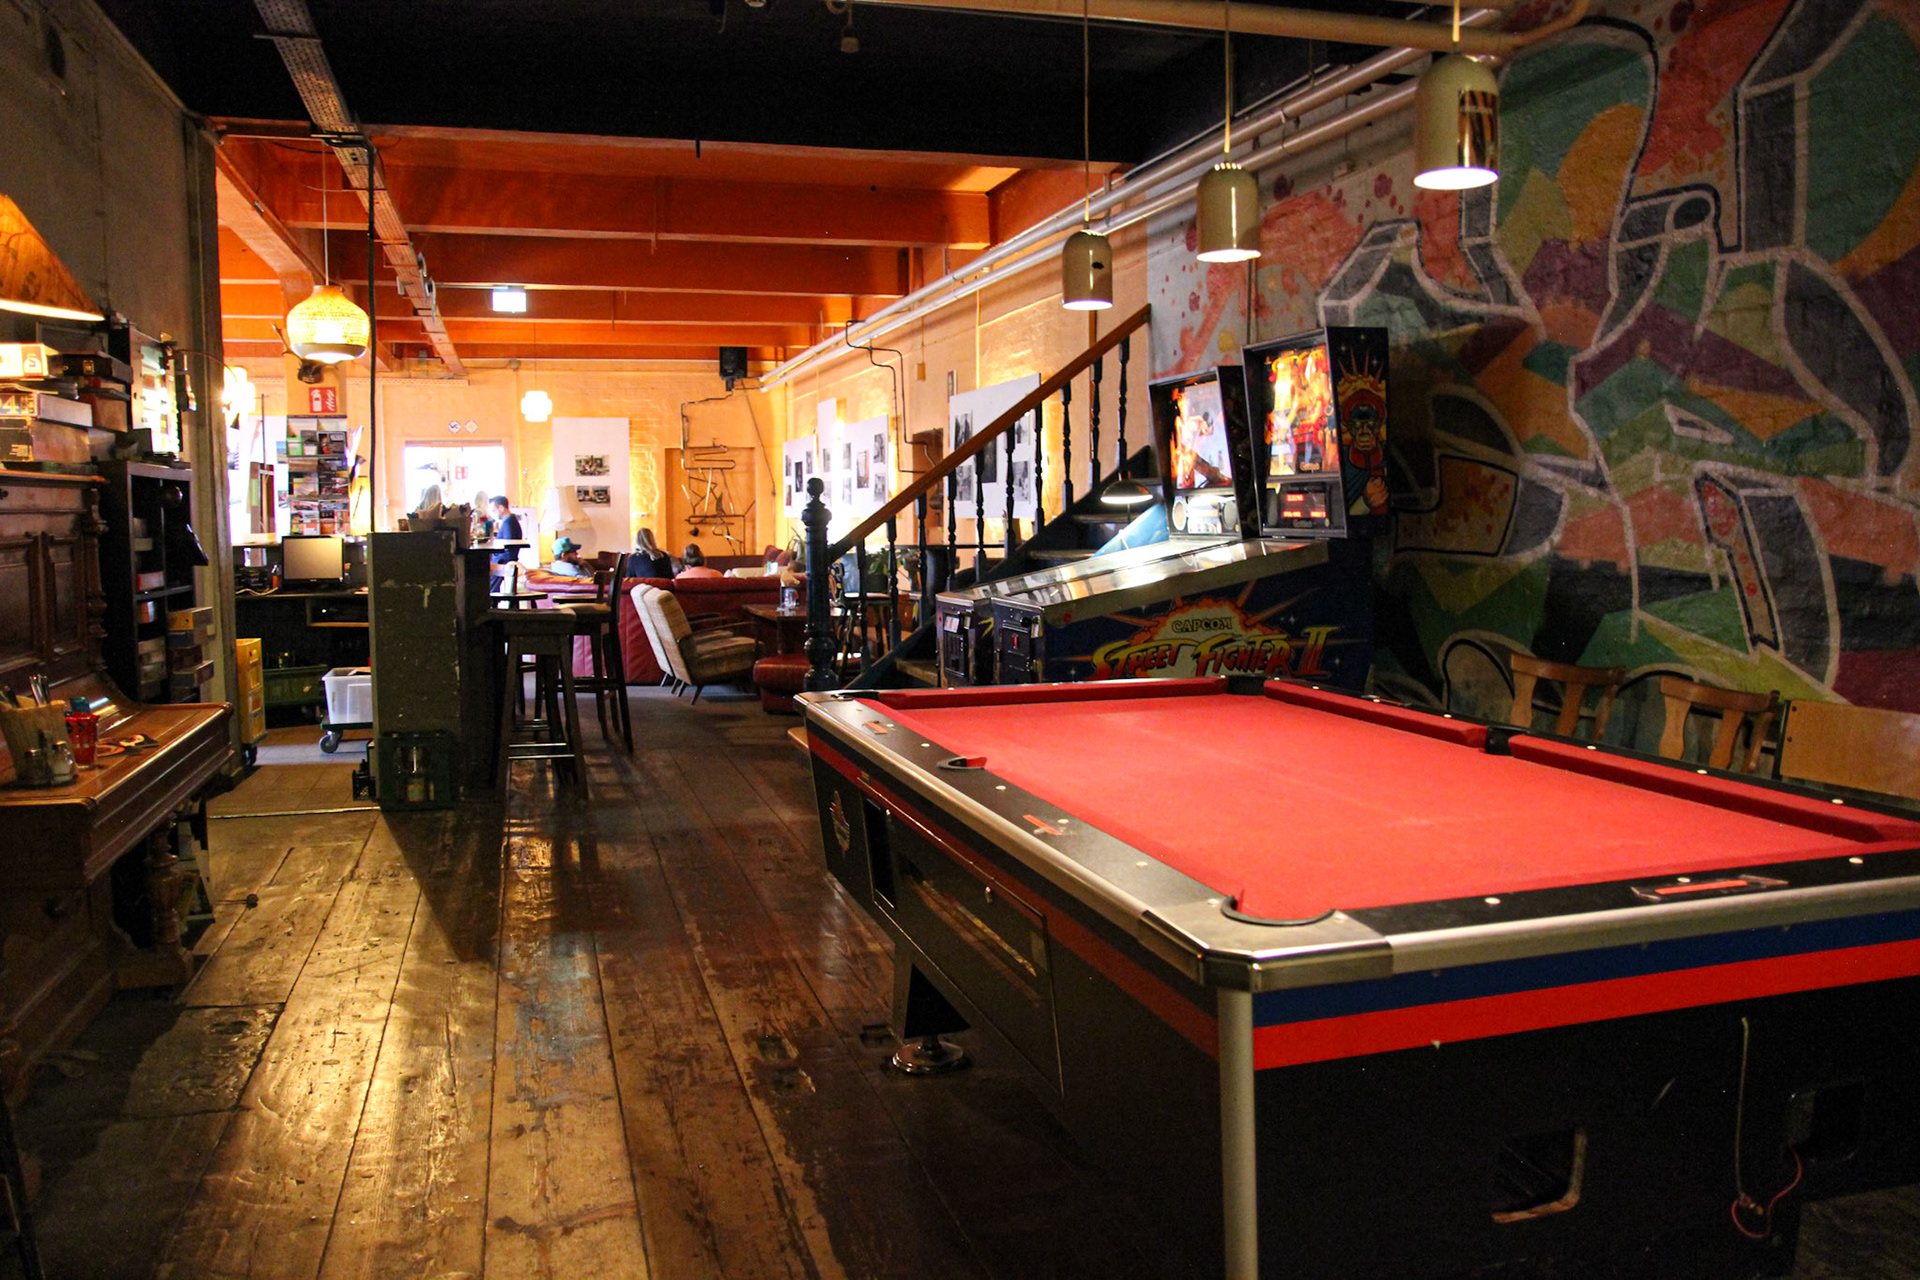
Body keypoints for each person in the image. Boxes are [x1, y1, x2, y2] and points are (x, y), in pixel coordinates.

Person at [487, 495, 522, 589]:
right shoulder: (509, 521)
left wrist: (497, 561)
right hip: (501, 560)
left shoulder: (509, 522)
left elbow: (508, 546)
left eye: (494, 510)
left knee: (490, 587)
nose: (493, 514)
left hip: (502, 562)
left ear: (501, 508)